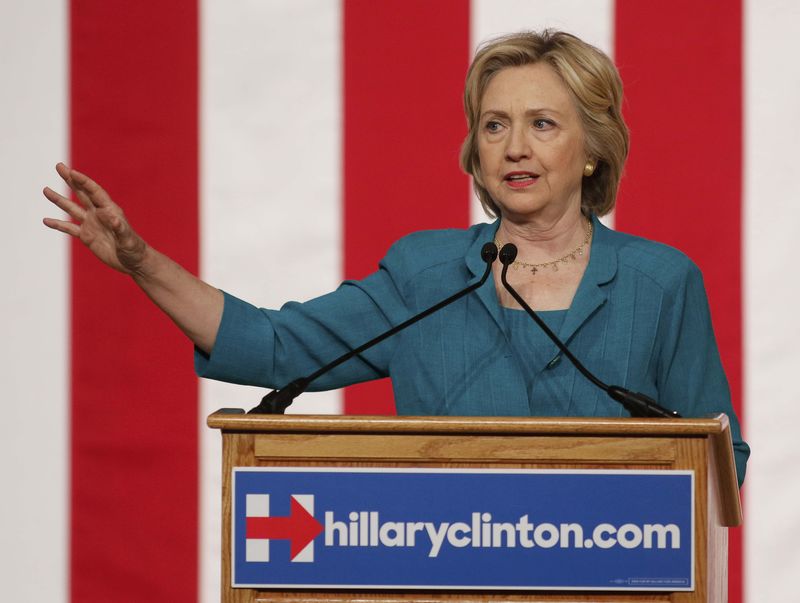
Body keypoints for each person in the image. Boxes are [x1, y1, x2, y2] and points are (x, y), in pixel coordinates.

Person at [42, 30, 749, 484]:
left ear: (592, 148)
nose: (514, 148)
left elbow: (723, 463)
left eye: (543, 125)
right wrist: (142, 260)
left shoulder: (660, 282)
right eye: (495, 124)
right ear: (475, 149)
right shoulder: (425, 275)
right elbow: (274, 345)